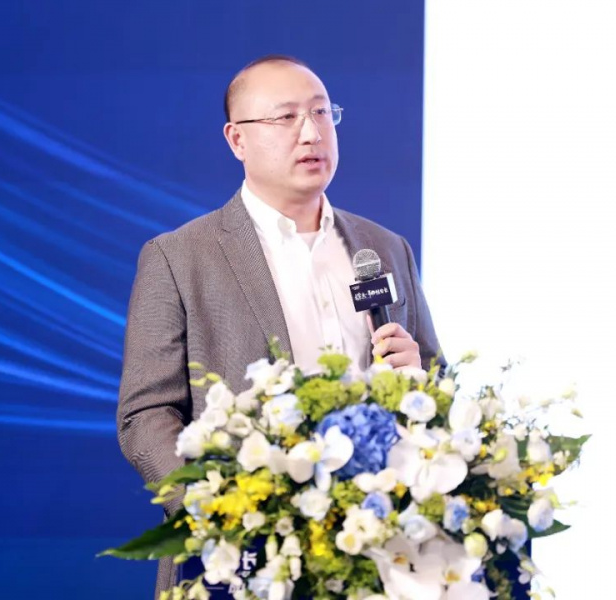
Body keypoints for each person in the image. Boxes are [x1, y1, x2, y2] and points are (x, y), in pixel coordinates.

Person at [117, 55, 443, 598]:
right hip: (242, 560)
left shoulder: (385, 248)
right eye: (286, 117)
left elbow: (435, 383)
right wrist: (217, 512)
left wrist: (420, 379)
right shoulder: (180, 257)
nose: (311, 133)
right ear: (237, 139)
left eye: (321, 113)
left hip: (378, 557)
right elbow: (145, 414)